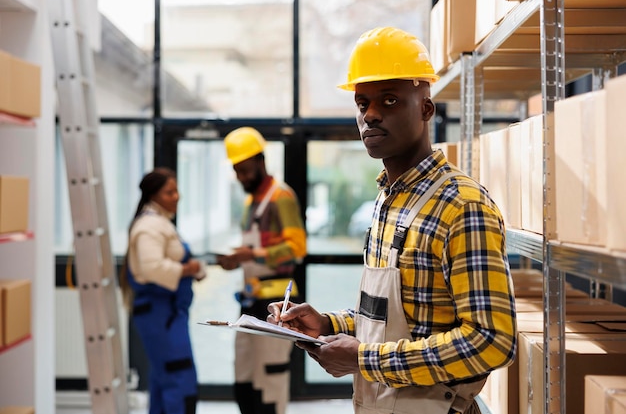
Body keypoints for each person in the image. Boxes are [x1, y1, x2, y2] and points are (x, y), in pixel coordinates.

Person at [268, 27, 517, 414]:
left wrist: (365, 360)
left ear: (426, 109)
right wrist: (329, 325)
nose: (370, 114)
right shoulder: (388, 199)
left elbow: (492, 341)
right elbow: (387, 320)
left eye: (389, 100)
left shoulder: (462, 207)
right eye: (362, 102)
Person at [217, 127, 307, 414]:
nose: (242, 177)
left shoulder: (281, 197)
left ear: (261, 161)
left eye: (245, 170)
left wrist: (251, 254)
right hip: (249, 301)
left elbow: (297, 247)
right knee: (245, 378)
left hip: (276, 306)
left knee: (269, 379)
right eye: (237, 171)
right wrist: (236, 258)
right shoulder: (249, 203)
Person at [120, 167, 206, 414]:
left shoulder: (159, 223)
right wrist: (188, 270)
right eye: (170, 192)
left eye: (177, 190)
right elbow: (151, 268)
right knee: (179, 377)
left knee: (163, 377)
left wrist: (192, 270)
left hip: (167, 315)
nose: (177, 196)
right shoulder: (149, 226)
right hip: (160, 315)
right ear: (153, 195)